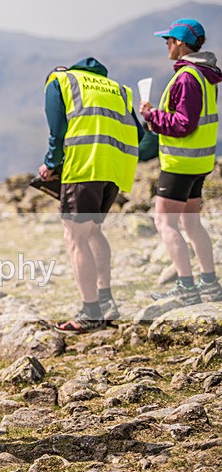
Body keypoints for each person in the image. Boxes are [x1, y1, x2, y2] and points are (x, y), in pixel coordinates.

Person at [38, 58, 144, 333]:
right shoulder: (116, 88)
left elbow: (57, 130)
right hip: (116, 169)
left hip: (85, 167)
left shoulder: (59, 82)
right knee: (93, 230)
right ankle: (105, 302)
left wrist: (51, 165)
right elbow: (139, 131)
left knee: (75, 237)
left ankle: (90, 311)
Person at [140, 18, 222, 306]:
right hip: (200, 162)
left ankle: (187, 287)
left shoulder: (187, 77)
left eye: (169, 40)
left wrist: (151, 117)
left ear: (180, 43)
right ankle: (210, 284)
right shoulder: (205, 75)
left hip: (181, 164)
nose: (166, 45)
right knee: (191, 222)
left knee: (165, 222)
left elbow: (183, 124)